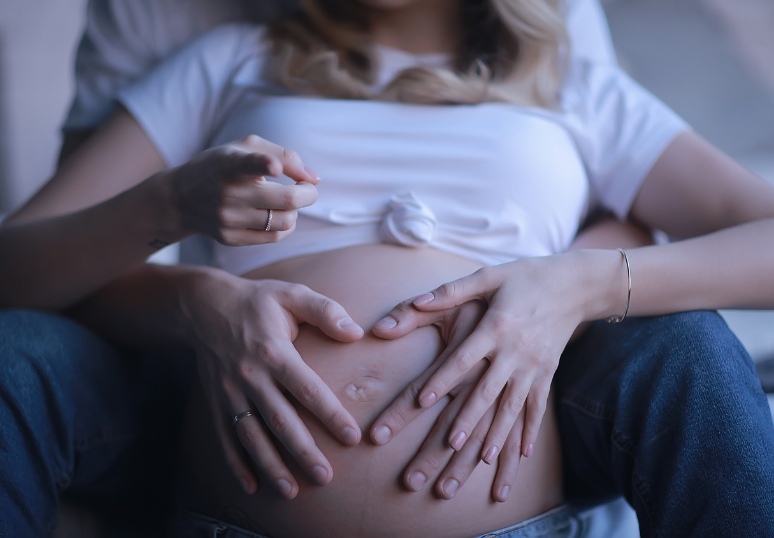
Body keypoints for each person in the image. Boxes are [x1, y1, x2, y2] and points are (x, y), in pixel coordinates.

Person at [1, 0, 773, 537]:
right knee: (14, 352)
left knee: (690, 345)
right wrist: (172, 215)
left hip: (510, 519)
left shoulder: (572, 88)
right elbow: (14, 266)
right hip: (235, 516)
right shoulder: (233, 61)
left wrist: (587, 281)